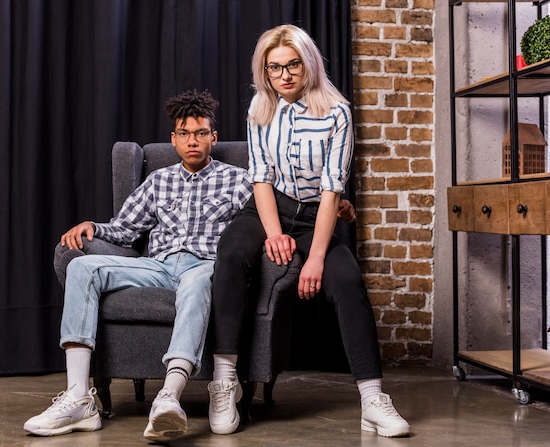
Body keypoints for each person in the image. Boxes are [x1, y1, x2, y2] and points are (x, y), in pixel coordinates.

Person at [207, 24, 411, 438]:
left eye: (292, 65)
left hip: (316, 214)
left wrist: (315, 258)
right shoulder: (259, 111)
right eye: (274, 68)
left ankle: (373, 400)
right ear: (265, 72)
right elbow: (260, 179)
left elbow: (333, 187)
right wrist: (272, 233)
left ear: (308, 64)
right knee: (229, 252)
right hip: (267, 208)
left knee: (348, 280)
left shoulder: (337, 112)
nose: (284, 75)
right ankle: (225, 381)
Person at [23, 90, 253, 442]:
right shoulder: (158, 180)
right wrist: (94, 227)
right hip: (158, 266)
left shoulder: (237, 180)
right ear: (174, 139)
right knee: (83, 268)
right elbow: (125, 229)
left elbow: (263, 220)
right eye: (185, 133)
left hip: (206, 266)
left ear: (213, 137)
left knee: (197, 285)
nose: (193, 140)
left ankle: (169, 396)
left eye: (201, 133)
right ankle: (79, 398)